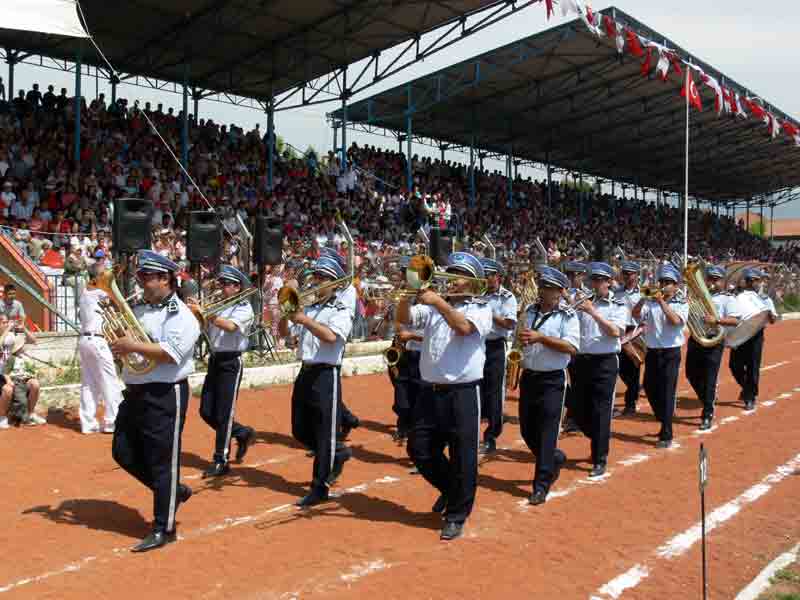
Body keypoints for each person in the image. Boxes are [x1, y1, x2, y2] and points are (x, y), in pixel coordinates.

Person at [396, 252, 492, 541]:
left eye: (458, 274)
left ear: (473, 283)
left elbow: (463, 327)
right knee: (419, 449)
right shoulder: (435, 308)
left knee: (464, 456)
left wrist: (437, 301)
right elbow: (404, 320)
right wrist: (406, 294)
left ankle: (456, 514)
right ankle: (452, 491)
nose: (451, 278)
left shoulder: (481, 307)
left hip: (463, 393)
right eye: (450, 272)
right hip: (430, 391)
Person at [109, 250, 200, 552]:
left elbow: (171, 352)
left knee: (162, 462)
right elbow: (131, 348)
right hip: (135, 391)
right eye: (141, 276)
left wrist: (131, 344)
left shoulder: (182, 315)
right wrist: (119, 347)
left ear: (165, 279)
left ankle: (165, 528)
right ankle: (174, 492)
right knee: (122, 451)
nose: (141, 282)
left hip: (165, 393)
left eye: (147, 276)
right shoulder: (138, 308)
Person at [279, 256, 355, 508]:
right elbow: (286, 336)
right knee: (299, 429)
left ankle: (319, 486)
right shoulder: (309, 309)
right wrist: (285, 314)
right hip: (306, 371)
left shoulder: (340, 310)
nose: (317, 281)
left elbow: (331, 337)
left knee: (324, 432)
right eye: (316, 277)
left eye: (323, 278)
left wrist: (302, 319)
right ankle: (336, 452)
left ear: (335, 283)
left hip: (326, 374)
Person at [517, 267, 580, 506]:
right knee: (526, 430)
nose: (543, 292)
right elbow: (520, 337)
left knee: (546, 433)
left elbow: (572, 348)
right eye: (542, 287)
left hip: (553, 379)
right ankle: (554, 458)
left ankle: (541, 485)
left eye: (549, 289)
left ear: (560, 292)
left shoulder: (568, 316)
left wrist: (541, 338)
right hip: (529, 376)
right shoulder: (529, 311)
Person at [193, 266, 256, 478]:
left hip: (231, 361)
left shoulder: (244, 307)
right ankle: (242, 432)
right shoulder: (218, 306)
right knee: (206, 411)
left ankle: (221, 460)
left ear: (238, 287)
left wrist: (207, 314)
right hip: (215, 359)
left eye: (227, 284)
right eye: (221, 283)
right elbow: (204, 327)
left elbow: (230, 327)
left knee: (224, 413)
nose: (222, 287)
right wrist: (197, 315)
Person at [571, 262, 628, 477]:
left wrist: (593, 312)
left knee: (601, 409)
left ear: (609, 282)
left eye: (599, 280)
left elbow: (615, 332)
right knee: (577, 408)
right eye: (593, 280)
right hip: (582, 361)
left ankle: (599, 458)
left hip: (605, 362)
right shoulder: (585, 302)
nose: (595, 284)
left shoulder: (618, 304)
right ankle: (598, 438)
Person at [632, 264, 689, 449]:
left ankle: (667, 432)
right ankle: (663, 417)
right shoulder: (650, 302)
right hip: (652, 351)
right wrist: (643, 298)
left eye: (668, 282)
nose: (664, 285)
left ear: (676, 285)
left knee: (667, 391)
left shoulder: (681, 303)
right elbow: (635, 314)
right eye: (662, 281)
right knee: (649, 386)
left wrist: (661, 302)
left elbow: (675, 321)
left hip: (670, 352)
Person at [685, 265, 740, 430]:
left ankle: (707, 413)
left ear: (723, 281)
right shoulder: (697, 296)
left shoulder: (727, 298)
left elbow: (735, 320)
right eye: (710, 279)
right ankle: (707, 399)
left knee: (709, 377)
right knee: (691, 374)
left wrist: (716, 320)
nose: (712, 282)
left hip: (714, 341)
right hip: (696, 338)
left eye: (716, 280)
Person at [77, 263, 123, 434]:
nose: (107, 276)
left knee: (89, 383)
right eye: (104, 274)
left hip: (85, 340)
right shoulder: (98, 292)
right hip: (96, 340)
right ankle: (112, 422)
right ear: (97, 278)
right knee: (110, 381)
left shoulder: (86, 293)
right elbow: (118, 303)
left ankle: (88, 423)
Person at [478, 257, 517, 455]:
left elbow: (510, 324)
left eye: (490, 275)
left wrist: (488, 312)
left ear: (498, 277)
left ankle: (491, 436)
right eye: (484, 275)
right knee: (476, 388)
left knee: (494, 392)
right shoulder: (478, 293)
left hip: (495, 347)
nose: (486, 279)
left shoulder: (507, 297)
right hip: (477, 345)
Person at [729, 268, 775, 411]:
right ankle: (747, 388)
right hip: (740, 335)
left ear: (760, 282)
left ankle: (750, 397)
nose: (752, 283)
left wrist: (770, 316)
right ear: (746, 282)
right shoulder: (737, 296)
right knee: (734, 366)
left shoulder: (765, 299)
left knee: (752, 367)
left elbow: (772, 318)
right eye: (750, 280)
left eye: (755, 280)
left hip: (756, 336)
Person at [0, 313, 43, 426]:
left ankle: (31, 413)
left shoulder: (11, 335)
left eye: (7, 322)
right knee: (8, 389)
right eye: (4, 322)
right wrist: (8, 329)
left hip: (15, 372)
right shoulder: (5, 336)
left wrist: (24, 329)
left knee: (35, 384)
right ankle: (2, 417)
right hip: (4, 373)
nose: (7, 324)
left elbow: (34, 341)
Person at [561, 260, 588, 434]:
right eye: (569, 275)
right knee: (564, 382)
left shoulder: (587, 294)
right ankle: (574, 413)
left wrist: (568, 298)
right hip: (564, 343)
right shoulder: (562, 293)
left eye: (574, 275)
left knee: (579, 383)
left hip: (581, 346)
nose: (571, 279)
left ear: (581, 276)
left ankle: (575, 417)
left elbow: (577, 314)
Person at [614, 261, 643, 417]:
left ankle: (630, 404)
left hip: (635, 332)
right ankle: (634, 389)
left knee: (633, 370)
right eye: (625, 273)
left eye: (631, 273)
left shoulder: (643, 293)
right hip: (620, 331)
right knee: (621, 370)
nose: (627, 276)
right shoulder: (617, 293)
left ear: (637, 275)